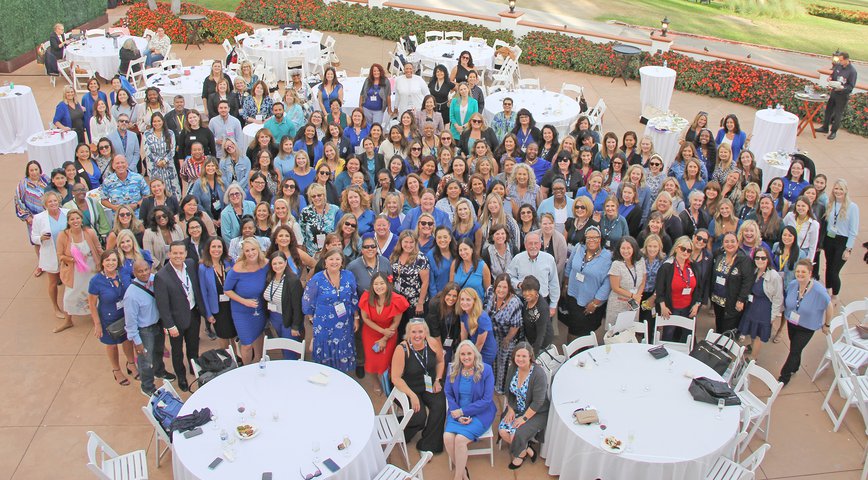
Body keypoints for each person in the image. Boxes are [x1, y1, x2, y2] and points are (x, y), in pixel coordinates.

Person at [391, 319, 446, 453]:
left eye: (420, 331)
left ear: (425, 332)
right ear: (408, 333)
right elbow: (395, 378)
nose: (417, 335)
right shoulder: (402, 349)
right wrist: (412, 395)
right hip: (408, 388)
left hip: (429, 385)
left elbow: (440, 362)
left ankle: (429, 444)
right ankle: (400, 430)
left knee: (439, 406)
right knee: (419, 417)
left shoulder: (432, 343)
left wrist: (438, 379)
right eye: (413, 332)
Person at [154, 241, 204, 391]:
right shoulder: (161, 276)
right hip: (176, 320)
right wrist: (169, 325)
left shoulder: (190, 264)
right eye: (174, 253)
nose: (178, 256)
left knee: (193, 346)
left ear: (186, 254)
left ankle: (193, 368)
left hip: (193, 314)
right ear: (169, 254)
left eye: (181, 253)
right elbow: (162, 305)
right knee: (177, 351)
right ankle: (181, 376)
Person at [443, 340, 496, 480]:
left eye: (469, 353)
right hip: (457, 413)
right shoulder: (453, 369)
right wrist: (458, 415)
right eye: (462, 354)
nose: (466, 357)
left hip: (480, 413)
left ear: (475, 354)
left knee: (460, 440)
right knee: (447, 438)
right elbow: (448, 393)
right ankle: (463, 473)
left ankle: (457, 477)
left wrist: (464, 412)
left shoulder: (486, 370)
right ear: (458, 356)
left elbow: (486, 400)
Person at [303, 248, 359, 371]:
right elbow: (308, 299)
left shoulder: (348, 276)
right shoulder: (317, 279)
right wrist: (311, 317)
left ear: (342, 262)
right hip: (324, 324)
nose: (334, 262)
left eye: (337, 259)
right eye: (331, 259)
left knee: (342, 349)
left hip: (344, 322)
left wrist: (356, 317)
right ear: (325, 262)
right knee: (324, 352)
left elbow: (354, 297)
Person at [124, 258, 174, 396]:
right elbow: (130, 321)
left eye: (146, 269)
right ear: (134, 273)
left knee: (158, 351)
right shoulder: (131, 295)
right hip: (144, 330)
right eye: (140, 271)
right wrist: (137, 342)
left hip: (158, 324)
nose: (144, 273)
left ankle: (159, 371)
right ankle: (147, 386)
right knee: (146, 360)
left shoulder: (155, 279)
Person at [87, 250, 137, 387]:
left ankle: (131, 364)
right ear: (102, 262)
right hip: (108, 319)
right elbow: (91, 304)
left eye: (114, 260)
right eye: (107, 260)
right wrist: (97, 324)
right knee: (112, 345)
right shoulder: (96, 281)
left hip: (125, 314)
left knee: (128, 340)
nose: (111, 263)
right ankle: (116, 370)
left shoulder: (123, 273)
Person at [779, 259, 832, 385]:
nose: (800, 274)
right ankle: (795, 366)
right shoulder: (793, 284)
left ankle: (784, 377)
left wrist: (827, 324)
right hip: (792, 322)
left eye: (803, 272)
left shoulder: (819, 291)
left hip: (807, 327)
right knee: (795, 347)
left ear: (810, 272)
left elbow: (829, 306)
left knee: (795, 350)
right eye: (798, 271)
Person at [498, 342, 548, 470]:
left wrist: (524, 419)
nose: (520, 359)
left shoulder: (538, 374)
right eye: (518, 355)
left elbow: (538, 402)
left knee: (516, 433)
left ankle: (519, 455)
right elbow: (507, 390)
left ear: (530, 357)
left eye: (524, 356)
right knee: (503, 431)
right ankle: (526, 449)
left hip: (536, 412)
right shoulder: (513, 368)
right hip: (516, 407)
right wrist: (510, 409)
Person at [562, 226, 612, 340]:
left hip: (591, 301)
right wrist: (565, 284)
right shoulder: (579, 248)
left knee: (587, 331)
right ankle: (571, 353)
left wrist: (595, 303)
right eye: (589, 237)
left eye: (595, 237)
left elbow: (607, 283)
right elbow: (569, 266)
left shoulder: (607, 257)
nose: (592, 240)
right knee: (573, 328)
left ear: (600, 239)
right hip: (573, 296)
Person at [57, 208, 103, 331]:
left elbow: (98, 249)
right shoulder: (64, 235)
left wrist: (103, 262)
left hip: (91, 270)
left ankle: (96, 319)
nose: (75, 221)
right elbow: (60, 255)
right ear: (68, 221)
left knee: (93, 294)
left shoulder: (89, 233)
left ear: (82, 220)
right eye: (72, 219)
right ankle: (68, 320)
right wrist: (73, 260)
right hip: (74, 272)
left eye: (77, 218)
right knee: (69, 296)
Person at [359, 271, 408, 385]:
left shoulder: (397, 300)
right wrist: (382, 331)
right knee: (371, 360)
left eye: (382, 283)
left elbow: (396, 322)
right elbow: (365, 318)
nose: (379, 287)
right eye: (376, 284)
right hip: (371, 332)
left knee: (385, 361)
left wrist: (385, 338)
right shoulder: (366, 297)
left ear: (387, 284)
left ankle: (387, 382)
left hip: (390, 332)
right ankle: (376, 382)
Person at [738, 247, 783, 360]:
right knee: (752, 330)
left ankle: (753, 358)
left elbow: (778, 298)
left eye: (763, 258)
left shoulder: (773, 275)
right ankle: (752, 346)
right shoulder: (754, 271)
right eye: (757, 258)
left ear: (768, 259)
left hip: (764, 309)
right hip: (752, 306)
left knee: (758, 335)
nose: (760, 260)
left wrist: (773, 316)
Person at [32, 192, 69, 322]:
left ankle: (70, 307)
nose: (53, 204)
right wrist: (41, 238)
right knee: (53, 282)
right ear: (45, 204)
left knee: (69, 281)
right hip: (51, 253)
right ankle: (56, 307)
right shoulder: (38, 218)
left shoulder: (67, 212)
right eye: (50, 202)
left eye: (55, 201)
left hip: (67, 254)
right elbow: (34, 237)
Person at [484, 274, 523, 395]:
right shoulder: (490, 292)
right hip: (491, 335)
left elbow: (515, 326)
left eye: (504, 287)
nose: (501, 290)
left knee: (503, 363)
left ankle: (501, 389)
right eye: (499, 286)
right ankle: (492, 383)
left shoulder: (514, 302)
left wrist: (507, 339)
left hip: (507, 337)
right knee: (493, 360)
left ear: (509, 288)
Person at [199, 236, 238, 352]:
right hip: (217, 308)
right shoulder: (203, 268)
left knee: (234, 333)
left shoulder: (229, 262)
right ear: (208, 249)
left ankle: (237, 356)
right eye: (214, 247)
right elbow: (203, 292)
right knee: (223, 335)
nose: (217, 250)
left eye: (219, 246)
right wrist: (208, 314)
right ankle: (227, 357)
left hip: (232, 304)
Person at [823, 179, 859, 304]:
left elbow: (853, 230)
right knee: (828, 265)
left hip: (842, 241)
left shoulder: (852, 207)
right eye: (836, 188)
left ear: (845, 191)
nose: (838, 191)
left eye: (840, 189)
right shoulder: (830, 203)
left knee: (835, 270)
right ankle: (827, 290)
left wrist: (848, 248)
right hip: (830, 238)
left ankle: (835, 295)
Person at [507, 232, 559, 317]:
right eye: (530, 243)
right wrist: (518, 284)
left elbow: (554, 283)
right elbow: (509, 276)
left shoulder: (549, 259)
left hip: (542, 301)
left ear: (540, 244)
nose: (533, 246)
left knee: (542, 329)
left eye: (536, 243)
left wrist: (553, 305)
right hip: (523, 301)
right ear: (525, 245)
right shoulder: (518, 259)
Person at [263, 251, 304, 358]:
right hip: (274, 317)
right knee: (282, 345)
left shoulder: (293, 280)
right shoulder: (269, 278)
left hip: (288, 319)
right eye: (274, 263)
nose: (277, 266)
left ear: (286, 263)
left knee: (289, 350)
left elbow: (298, 306)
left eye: (280, 263)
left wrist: (295, 326)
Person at [710, 232, 754, 334]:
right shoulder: (719, 256)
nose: (730, 244)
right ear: (723, 244)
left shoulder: (744, 260)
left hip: (732, 301)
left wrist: (741, 299)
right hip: (717, 299)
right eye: (726, 241)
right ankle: (717, 345)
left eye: (732, 241)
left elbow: (747, 281)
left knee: (728, 329)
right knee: (719, 324)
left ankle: (724, 348)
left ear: (738, 243)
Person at [16, 161, 50, 276]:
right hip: (33, 219)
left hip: (48, 215)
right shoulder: (23, 184)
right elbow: (18, 202)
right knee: (37, 241)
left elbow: (53, 193)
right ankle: (41, 265)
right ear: (28, 171)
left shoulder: (45, 180)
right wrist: (27, 217)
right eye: (32, 170)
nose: (34, 172)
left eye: (36, 169)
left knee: (51, 239)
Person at [605, 236, 646, 327]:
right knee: (614, 334)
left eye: (628, 248)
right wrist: (633, 296)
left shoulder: (640, 261)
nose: (626, 251)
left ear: (634, 248)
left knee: (630, 331)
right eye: (623, 248)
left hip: (634, 303)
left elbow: (643, 281)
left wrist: (638, 297)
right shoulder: (616, 264)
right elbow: (615, 288)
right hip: (618, 303)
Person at [816, 52, 857, 140]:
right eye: (839, 60)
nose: (840, 62)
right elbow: (833, 75)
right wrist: (830, 77)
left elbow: (851, 86)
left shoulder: (852, 71)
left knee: (838, 114)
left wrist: (843, 88)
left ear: (847, 60)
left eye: (841, 60)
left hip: (842, 96)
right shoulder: (838, 66)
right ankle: (825, 127)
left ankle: (833, 132)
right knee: (828, 110)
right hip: (834, 92)